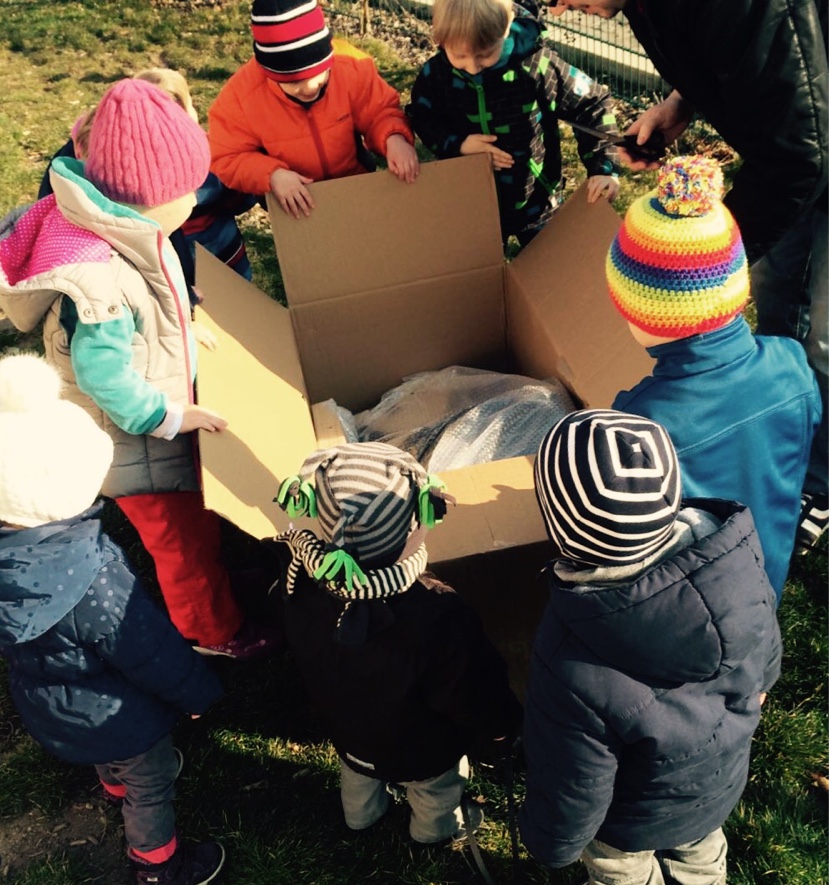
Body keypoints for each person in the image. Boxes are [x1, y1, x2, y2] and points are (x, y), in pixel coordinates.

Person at [0, 78, 279, 658]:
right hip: (136, 449)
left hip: (146, 432)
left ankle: (218, 594)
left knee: (196, 532)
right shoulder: (104, 278)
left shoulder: (118, 230)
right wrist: (169, 417)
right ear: (151, 198)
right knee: (183, 545)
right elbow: (105, 374)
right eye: (190, 191)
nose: (198, 200)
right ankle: (213, 631)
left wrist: (185, 327)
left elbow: (149, 312)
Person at [550, 0, 828, 552]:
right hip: (795, 149)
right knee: (787, 312)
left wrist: (703, 266)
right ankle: (786, 446)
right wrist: (680, 103)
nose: (559, 6)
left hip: (811, 150)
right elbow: (730, 56)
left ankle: (815, 481)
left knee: (817, 331)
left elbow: (802, 154)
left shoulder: (640, 417)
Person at [519, 408, 781, 885]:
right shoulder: (735, 564)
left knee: (622, 877)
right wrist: (758, 691)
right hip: (717, 779)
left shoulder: (570, 654)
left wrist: (552, 842)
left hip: (630, 817)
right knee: (701, 841)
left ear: (560, 529)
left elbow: (574, 777)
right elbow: (766, 647)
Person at [0, 353, 225, 885]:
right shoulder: (94, 582)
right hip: (124, 717)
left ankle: (113, 784)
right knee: (152, 785)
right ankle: (160, 871)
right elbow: (149, 651)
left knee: (112, 755)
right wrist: (198, 692)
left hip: (52, 706)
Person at [271, 441, 523, 844]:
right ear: (412, 525)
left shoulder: (299, 575)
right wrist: (501, 725)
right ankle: (434, 831)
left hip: (348, 731)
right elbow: (472, 686)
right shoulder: (437, 612)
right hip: (422, 749)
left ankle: (360, 817)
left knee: (358, 771)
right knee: (436, 791)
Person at [607, 156, 821, 601]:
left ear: (649, 314)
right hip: (767, 572)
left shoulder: (638, 422)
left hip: (695, 605)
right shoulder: (793, 365)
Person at [407, 0, 621, 249]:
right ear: (441, 40)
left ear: (506, 27)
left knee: (548, 269)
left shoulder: (535, 65)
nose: (473, 67)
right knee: (479, 273)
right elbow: (423, 117)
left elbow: (592, 104)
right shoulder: (436, 75)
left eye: (486, 54)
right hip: (474, 203)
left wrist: (604, 168)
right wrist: (459, 145)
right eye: (460, 56)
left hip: (536, 201)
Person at [38, 67, 256, 286]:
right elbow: (238, 193)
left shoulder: (75, 163)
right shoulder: (197, 157)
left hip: (184, 268)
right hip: (201, 261)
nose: (192, 198)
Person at [208, 0, 419, 220]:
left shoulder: (350, 67)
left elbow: (379, 110)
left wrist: (394, 138)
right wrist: (272, 175)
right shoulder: (242, 96)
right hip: (295, 202)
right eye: (293, 82)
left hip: (355, 184)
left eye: (317, 76)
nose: (308, 89)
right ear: (268, 72)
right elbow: (226, 155)